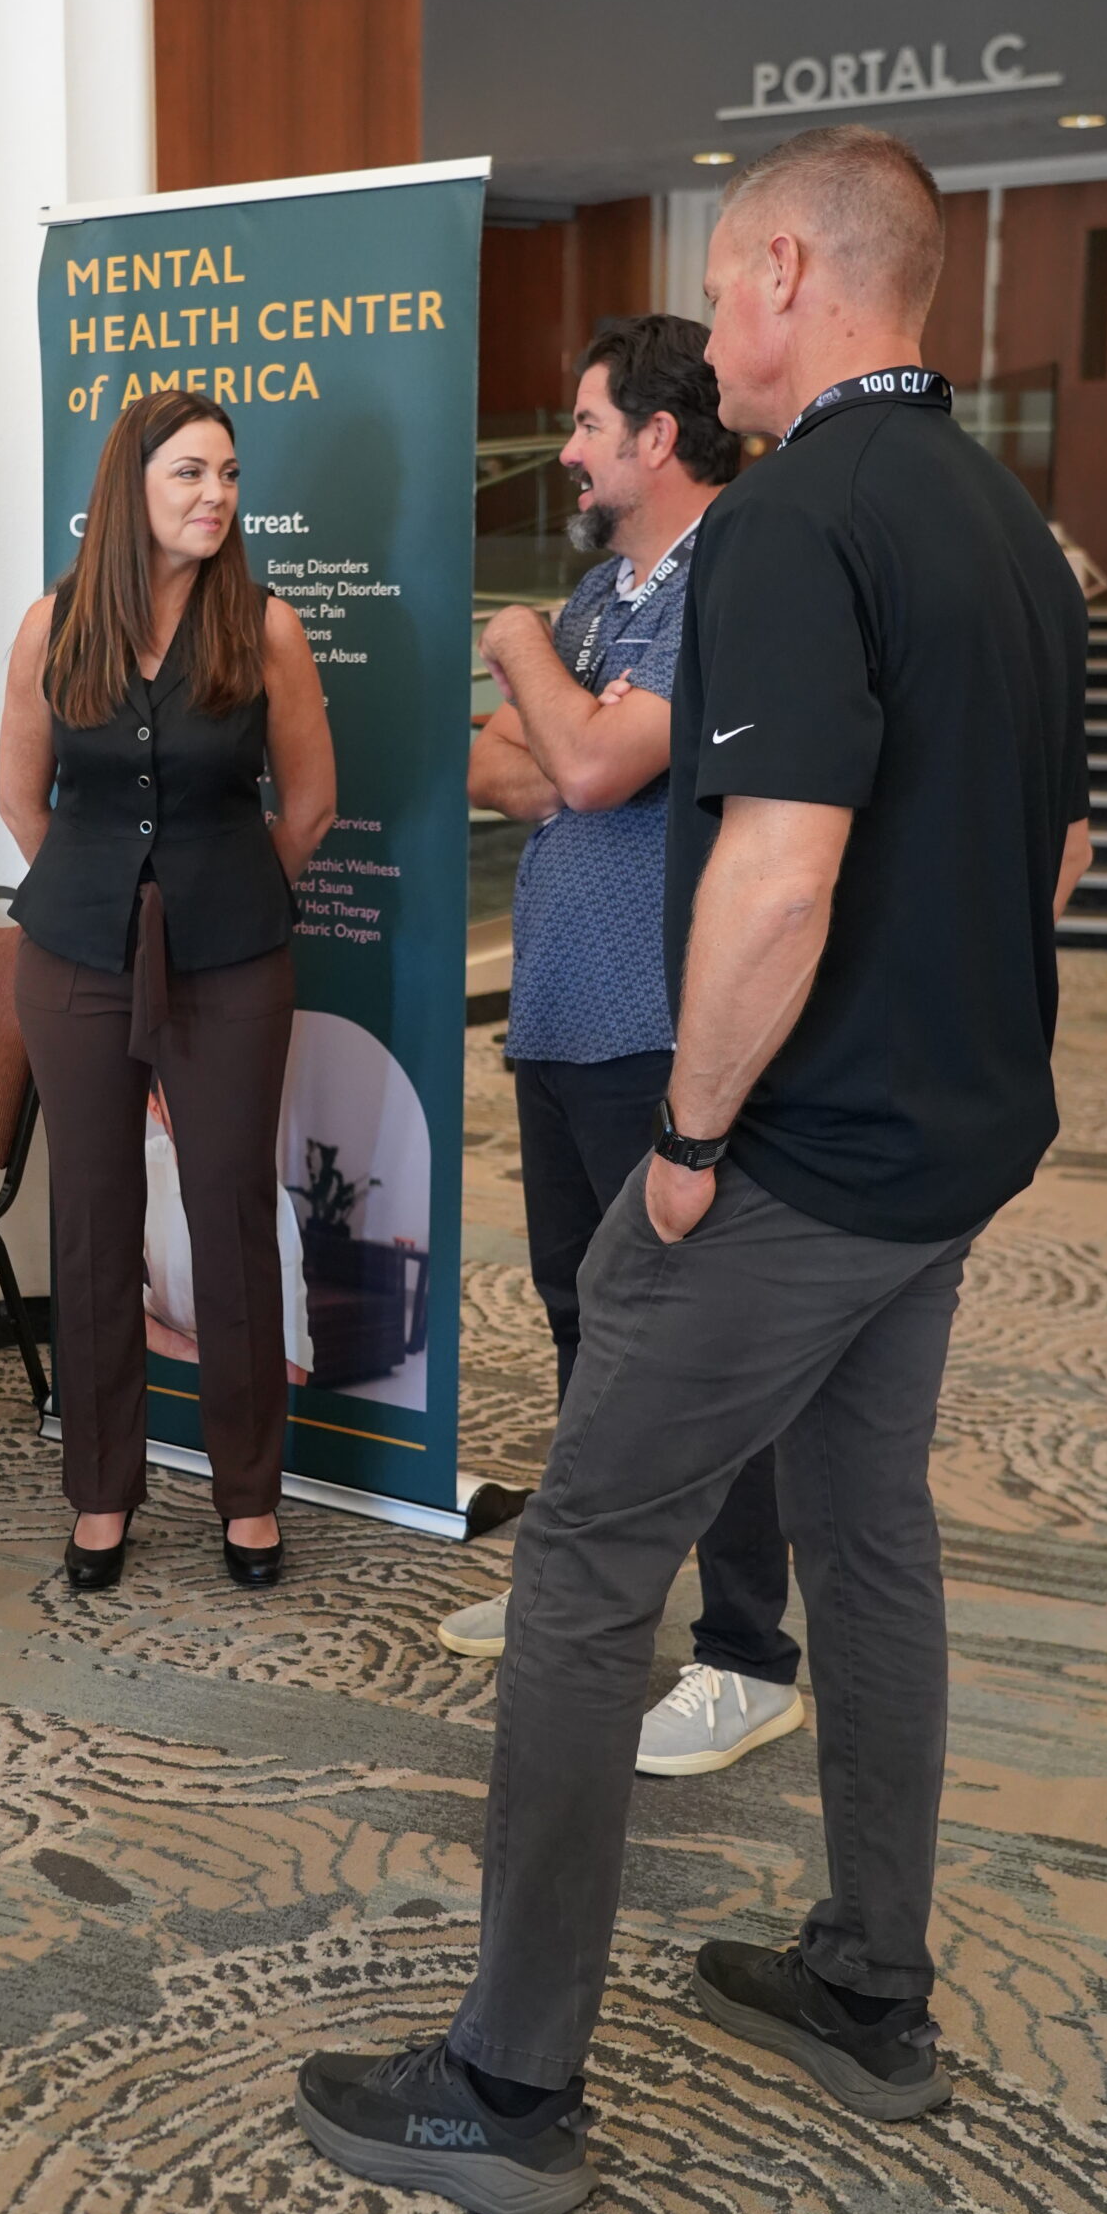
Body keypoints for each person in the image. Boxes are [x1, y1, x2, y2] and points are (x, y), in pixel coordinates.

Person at [296, 125, 1091, 2214]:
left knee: (581, 1572)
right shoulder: (1016, 533)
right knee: (869, 1542)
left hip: (791, 1167)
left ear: (783, 274)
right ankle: (868, 1980)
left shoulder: (790, 519)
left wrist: (690, 1133)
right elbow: (1053, 857)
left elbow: (778, 869)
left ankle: (507, 2081)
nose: (712, 317)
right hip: (947, 1154)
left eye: (724, 278)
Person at [441, 317, 805, 1781]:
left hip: (661, 1031)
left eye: (588, 425)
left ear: (657, 437)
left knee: (697, 1350)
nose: (568, 454)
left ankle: (745, 1654)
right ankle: (587, 1585)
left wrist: (524, 656)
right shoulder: (606, 590)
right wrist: (566, 728)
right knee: (582, 1324)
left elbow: (584, 764)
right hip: (558, 1020)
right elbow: (500, 765)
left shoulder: (718, 580)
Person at [0, 389, 336, 1593]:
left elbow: (310, 806)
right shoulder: (54, 626)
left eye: (228, 474)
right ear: (129, 488)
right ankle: (101, 1492)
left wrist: (224, 894)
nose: (216, 495)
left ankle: (250, 1496)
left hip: (232, 955)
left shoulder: (267, 626)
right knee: (93, 1221)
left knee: (231, 1215)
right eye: (190, 472)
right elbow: (21, 800)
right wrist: (100, 892)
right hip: (74, 957)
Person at [142, 1080, 315, 1384]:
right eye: (181, 1090)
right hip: (158, 1355)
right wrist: (190, 1354)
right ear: (155, 1108)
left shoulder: (271, 1200)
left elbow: (292, 1364)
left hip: (241, 1371)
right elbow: (107, 1302)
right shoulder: (138, 1171)